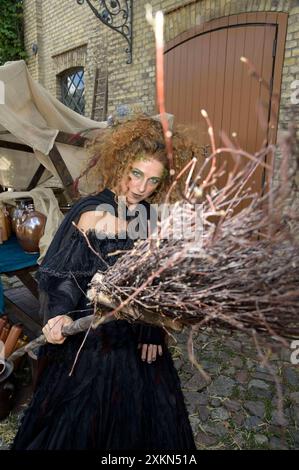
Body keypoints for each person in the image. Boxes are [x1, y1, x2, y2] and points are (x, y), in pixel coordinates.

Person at [11, 116, 197, 450]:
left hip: (137, 338)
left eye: (153, 181)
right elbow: (67, 274)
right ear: (121, 163)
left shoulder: (151, 215)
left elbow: (156, 283)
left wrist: (152, 328)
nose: (141, 187)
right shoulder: (93, 210)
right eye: (136, 173)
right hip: (91, 340)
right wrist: (60, 313)